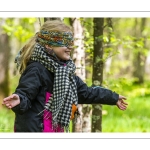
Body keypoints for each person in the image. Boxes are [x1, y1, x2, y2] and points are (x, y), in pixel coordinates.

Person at [2, 20, 128, 132]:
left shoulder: (65, 71)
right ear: (48, 45)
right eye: (64, 42)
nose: (69, 47)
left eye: (70, 42)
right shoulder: (36, 69)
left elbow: (86, 93)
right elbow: (26, 94)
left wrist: (113, 97)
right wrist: (19, 100)